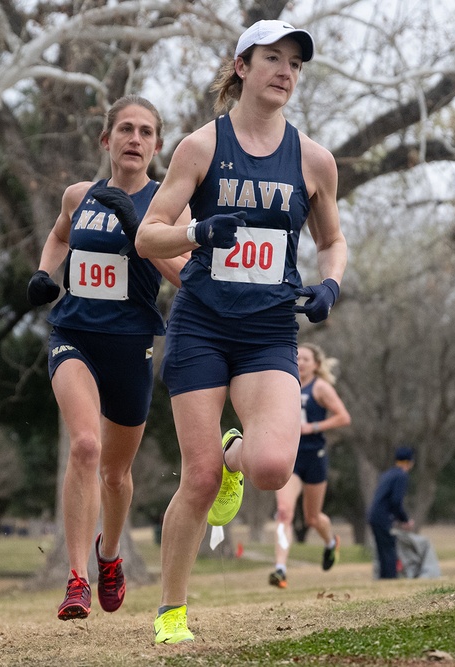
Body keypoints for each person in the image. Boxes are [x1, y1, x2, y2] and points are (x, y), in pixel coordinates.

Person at [132, 19, 348, 644]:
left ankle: (237, 454)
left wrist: (330, 283)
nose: (285, 71)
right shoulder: (200, 148)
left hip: (268, 333)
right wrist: (200, 232)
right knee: (197, 480)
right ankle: (173, 611)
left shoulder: (313, 160)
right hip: (201, 325)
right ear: (242, 68)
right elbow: (149, 235)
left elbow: (332, 241)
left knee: (274, 467)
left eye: (295, 64)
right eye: (273, 58)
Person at [25, 95, 189, 621]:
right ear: (107, 140)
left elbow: (188, 277)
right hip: (74, 336)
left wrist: (144, 233)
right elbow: (57, 235)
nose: (134, 139)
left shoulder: (170, 205)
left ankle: (109, 556)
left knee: (116, 474)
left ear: (157, 146)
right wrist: (46, 275)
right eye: (125, 129)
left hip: (131, 346)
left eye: (145, 132)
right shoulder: (80, 196)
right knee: (86, 447)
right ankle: (76, 581)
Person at [269, 342, 351, 589]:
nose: (301, 362)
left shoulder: (321, 387)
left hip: (314, 455)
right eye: (298, 357)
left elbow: (343, 417)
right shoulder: (285, 383)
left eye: (306, 359)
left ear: (316, 364)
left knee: (312, 518)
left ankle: (330, 543)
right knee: (284, 513)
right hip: (289, 456)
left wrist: (313, 427)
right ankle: (280, 570)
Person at [367, 446, 415, 580]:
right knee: (389, 551)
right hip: (383, 517)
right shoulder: (401, 476)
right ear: (410, 462)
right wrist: (404, 520)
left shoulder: (388, 474)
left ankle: (383, 580)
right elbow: (396, 501)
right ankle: (390, 580)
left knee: (382, 552)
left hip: (374, 516)